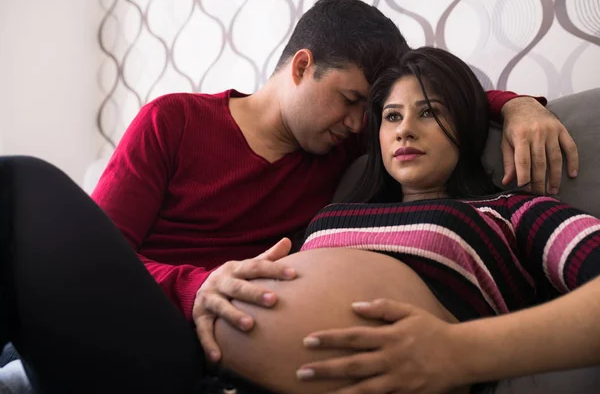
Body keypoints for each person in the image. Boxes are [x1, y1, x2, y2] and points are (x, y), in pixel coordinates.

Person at [0, 0, 579, 393]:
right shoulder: (172, 121)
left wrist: (518, 105)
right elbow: (99, 260)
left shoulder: (348, 153)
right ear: (302, 66)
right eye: (353, 101)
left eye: (370, 114)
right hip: (146, 313)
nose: (364, 125)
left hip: (204, 356)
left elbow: (433, 106)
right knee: (19, 186)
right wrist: (196, 285)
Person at [211, 47, 600, 394]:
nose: (404, 130)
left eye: (428, 112)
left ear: (464, 127)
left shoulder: (513, 212)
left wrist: (458, 351)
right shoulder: (337, 210)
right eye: (391, 116)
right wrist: (211, 289)